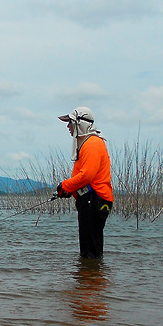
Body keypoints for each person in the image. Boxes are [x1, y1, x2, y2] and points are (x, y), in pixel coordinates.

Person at [54, 107, 113, 258]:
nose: (68, 127)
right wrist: (71, 191)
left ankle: (90, 279)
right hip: (91, 200)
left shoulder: (92, 144)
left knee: (89, 251)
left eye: (71, 123)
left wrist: (64, 186)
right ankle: (92, 278)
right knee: (91, 249)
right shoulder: (89, 143)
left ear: (80, 124)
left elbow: (87, 175)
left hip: (94, 200)